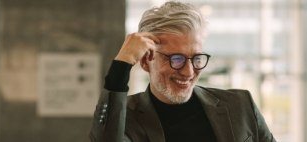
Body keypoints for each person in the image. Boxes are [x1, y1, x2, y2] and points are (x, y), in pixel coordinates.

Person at [90, 1, 276, 142]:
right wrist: (122, 64)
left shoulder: (241, 106)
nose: (188, 72)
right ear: (147, 61)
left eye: (196, 58)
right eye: (176, 59)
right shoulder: (125, 118)